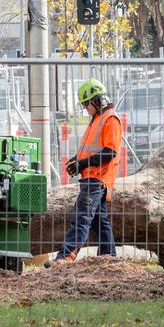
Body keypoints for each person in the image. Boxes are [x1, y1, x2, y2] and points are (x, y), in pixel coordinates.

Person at [50, 79, 122, 265]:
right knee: (100, 222)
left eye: (86, 104)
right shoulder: (97, 118)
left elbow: (110, 152)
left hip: (97, 178)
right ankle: (109, 259)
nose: (85, 108)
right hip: (93, 177)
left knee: (81, 218)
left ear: (97, 100)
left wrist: (82, 164)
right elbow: (92, 148)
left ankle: (65, 257)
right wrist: (77, 160)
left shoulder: (110, 119)